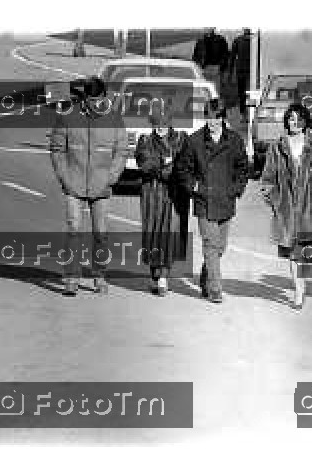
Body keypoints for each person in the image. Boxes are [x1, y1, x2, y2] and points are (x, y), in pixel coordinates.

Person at [49, 76, 129, 296]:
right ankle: (71, 278)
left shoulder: (114, 118)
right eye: (90, 99)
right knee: (74, 229)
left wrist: (111, 177)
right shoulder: (67, 116)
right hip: (73, 183)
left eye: (97, 99)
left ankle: (99, 275)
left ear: (104, 96)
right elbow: (57, 149)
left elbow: (122, 150)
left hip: (101, 186)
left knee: (100, 233)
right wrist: (64, 177)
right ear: (85, 98)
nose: (94, 104)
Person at [260, 102, 312, 310]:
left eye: (298, 119)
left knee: (307, 254)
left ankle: (302, 282)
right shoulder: (277, 146)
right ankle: (298, 290)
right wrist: (275, 200)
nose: (294, 122)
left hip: (311, 209)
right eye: (290, 119)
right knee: (293, 253)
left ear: (305, 122)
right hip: (287, 209)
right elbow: (267, 179)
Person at [173, 98, 248, 303]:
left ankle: (206, 275)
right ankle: (215, 288)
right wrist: (194, 187)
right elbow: (182, 169)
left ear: (223, 118)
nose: (212, 122)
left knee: (220, 247)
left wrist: (235, 189)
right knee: (211, 244)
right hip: (203, 201)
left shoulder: (234, 140)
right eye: (209, 117)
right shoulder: (194, 140)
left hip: (226, 200)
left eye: (216, 118)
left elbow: (243, 168)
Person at [135, 114, 190, 296]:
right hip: (152, 193)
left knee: (170, 234)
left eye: (164, 124)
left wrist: (167, 167)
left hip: (174, 194)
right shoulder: (145, 140)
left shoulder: (182, 139)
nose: (161, 127)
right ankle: (154, 274)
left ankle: (164, 277)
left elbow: (185, 164)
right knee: (152, 234)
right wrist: (166, 166)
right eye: (157, 124)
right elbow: (144, 163)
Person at [192, 28, 230, 94]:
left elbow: (225, 54)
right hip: (203, 68)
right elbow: (196, 54)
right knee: (204, 90)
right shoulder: (201, 40)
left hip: (216, 67)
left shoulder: (221, 39)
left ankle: (215, 103)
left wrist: (221, 67)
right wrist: (196, 67)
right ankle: (207, 103)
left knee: (215, 90)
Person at [229, 28, 252, 122]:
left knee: (249, 94)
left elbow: (232, 58)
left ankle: (248, 114)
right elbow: (232, 57)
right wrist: (230, 72)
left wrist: (230, 72)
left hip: (251, 71)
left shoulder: (255, 40)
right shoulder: (238, 40)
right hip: (243, 71)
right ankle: (244, 115)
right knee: (242, 94)